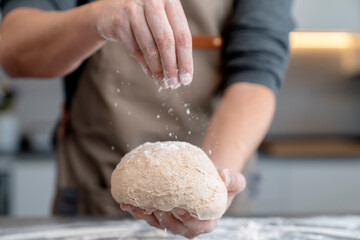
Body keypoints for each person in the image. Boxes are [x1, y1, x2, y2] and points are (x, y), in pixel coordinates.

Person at [0, 0, 294, 238]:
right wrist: (98, 17)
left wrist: (213, 184)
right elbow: (13, 48)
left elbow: (257, 69)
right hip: (94, 186)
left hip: (221, 174)